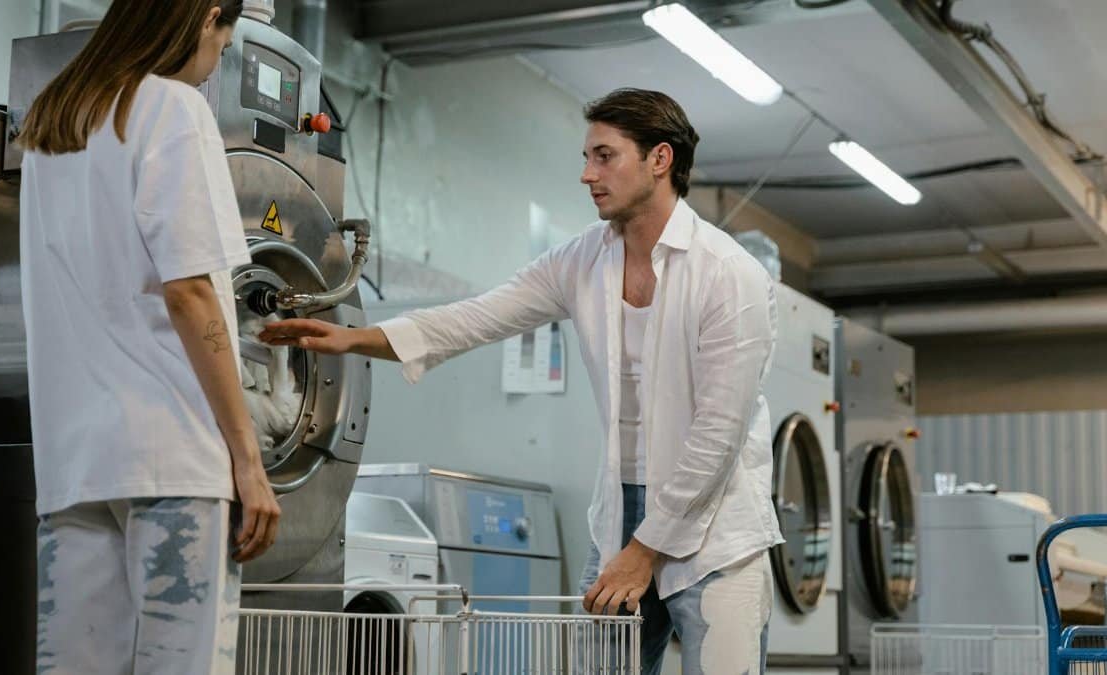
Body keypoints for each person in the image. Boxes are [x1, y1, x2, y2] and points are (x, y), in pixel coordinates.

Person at [259, 87, 783, 674]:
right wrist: (352, 337)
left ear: (660, 160)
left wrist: (645, 553)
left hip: (715, 527)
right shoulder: (584, 259)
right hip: (622, 514)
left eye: (604, 156)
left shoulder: (728, 274)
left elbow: (718, 435)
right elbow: (478, 316)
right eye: (587, 157)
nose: (587, 174)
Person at [16, 1, 280, 672]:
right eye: (227, 40)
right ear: (207, 16)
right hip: (175, 454)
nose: (220, 57)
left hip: (74, 464)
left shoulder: (55, 124)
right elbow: (190, 291)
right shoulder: (172, 107)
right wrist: (247, 459)